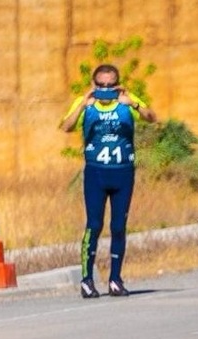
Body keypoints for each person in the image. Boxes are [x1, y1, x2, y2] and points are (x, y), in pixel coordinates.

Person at [60, 64, 156, 298]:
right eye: (101, 85)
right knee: (94, 225)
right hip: (96, 173)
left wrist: (133, 104)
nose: (105, 89)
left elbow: (152, 118)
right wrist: (82, 105)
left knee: (118, 226)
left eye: (110, 85)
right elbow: (66, 126)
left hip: (123, 172)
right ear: (93, 84)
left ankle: (115, 279)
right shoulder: (86, 103)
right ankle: (87, 280)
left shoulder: (126, 101)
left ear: (117, 84)